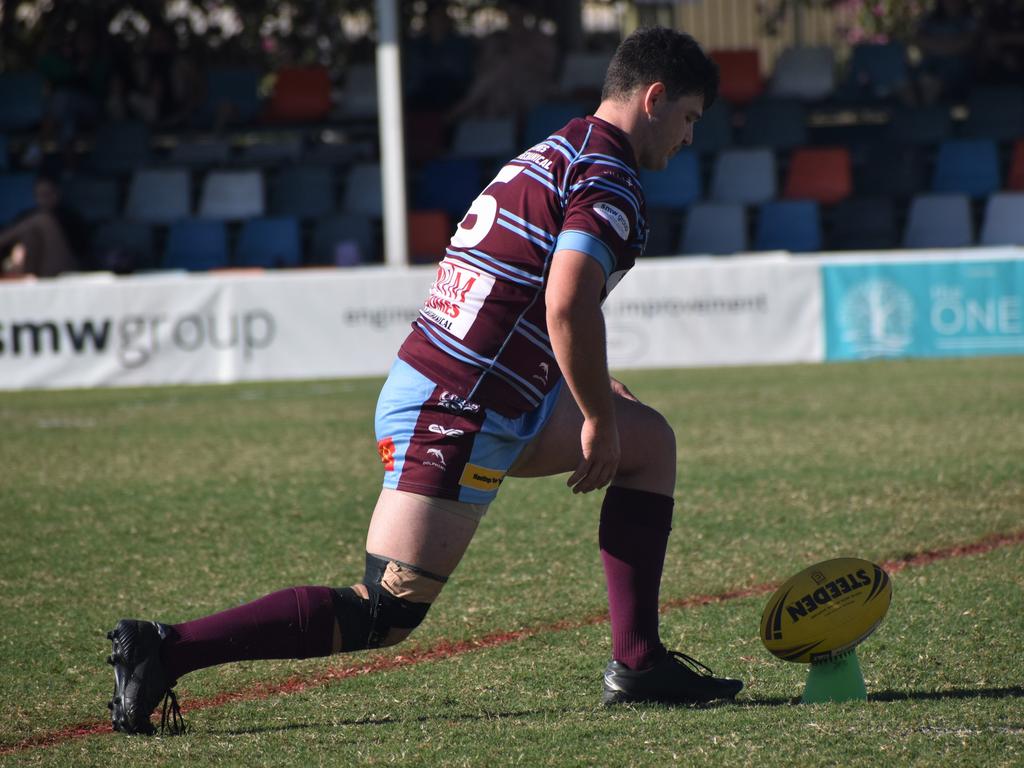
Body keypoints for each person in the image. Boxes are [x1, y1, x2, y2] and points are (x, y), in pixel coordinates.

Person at [105, 26, 742, 736]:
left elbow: (522, 293)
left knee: (648, 442)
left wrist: (593, 391)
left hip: (484, 392)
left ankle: (639, 663)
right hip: (458, 408)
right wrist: (592, 413)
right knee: (386, 609)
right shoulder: (610, 176)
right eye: (688, 118)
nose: (688, 139)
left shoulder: (560, 149)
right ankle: (163, 648)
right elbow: (565, 301)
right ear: (654, 99)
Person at [0, 173, 87, 278]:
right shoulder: (28, 215)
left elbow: (80, 250)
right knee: (32, 226)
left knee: (42, 219)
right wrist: (19, 248)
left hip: (62, 269)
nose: (43, 200)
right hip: (31, 269)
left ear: (57, 193)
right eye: (39, 195)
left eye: (47, 194)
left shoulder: (69, 218)